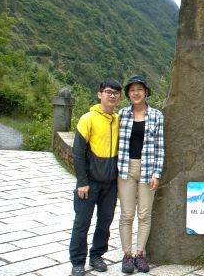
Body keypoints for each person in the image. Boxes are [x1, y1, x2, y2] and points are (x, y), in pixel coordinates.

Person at [69, 79, 122, 276]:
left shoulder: (118, 120)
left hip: (110, 183)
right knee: (82, 222)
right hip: (89, 182)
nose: (112, 95)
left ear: (119, 97)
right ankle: (77, 261)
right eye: (108, 92)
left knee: (105, 222)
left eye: (116, 93)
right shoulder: (88, 118)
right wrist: (82, 182)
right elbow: (77, 152)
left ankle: (97, 255)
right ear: (100, 94)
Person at [117, 75, 164, 274]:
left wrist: (157, 173)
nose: (136, 93)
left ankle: (140, 254)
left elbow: (160, 146)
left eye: (139, 89)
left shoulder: (156, 116)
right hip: (125, 169)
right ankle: (127, 255)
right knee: (127, 214)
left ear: (146, 92)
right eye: (132, 90)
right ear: (128, 94)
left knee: (144, 214)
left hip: (148, 169)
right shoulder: (122, 114)